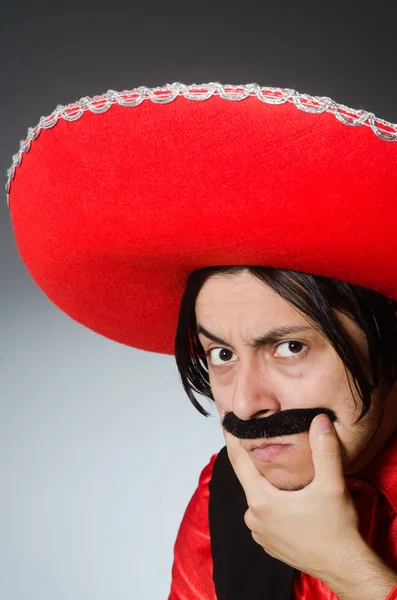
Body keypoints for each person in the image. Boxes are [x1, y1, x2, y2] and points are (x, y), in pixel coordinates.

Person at [6, 82, 397, 600]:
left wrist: (351, 571)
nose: (244, 404)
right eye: (222, 354)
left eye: (290, 347)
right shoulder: (226, 496)